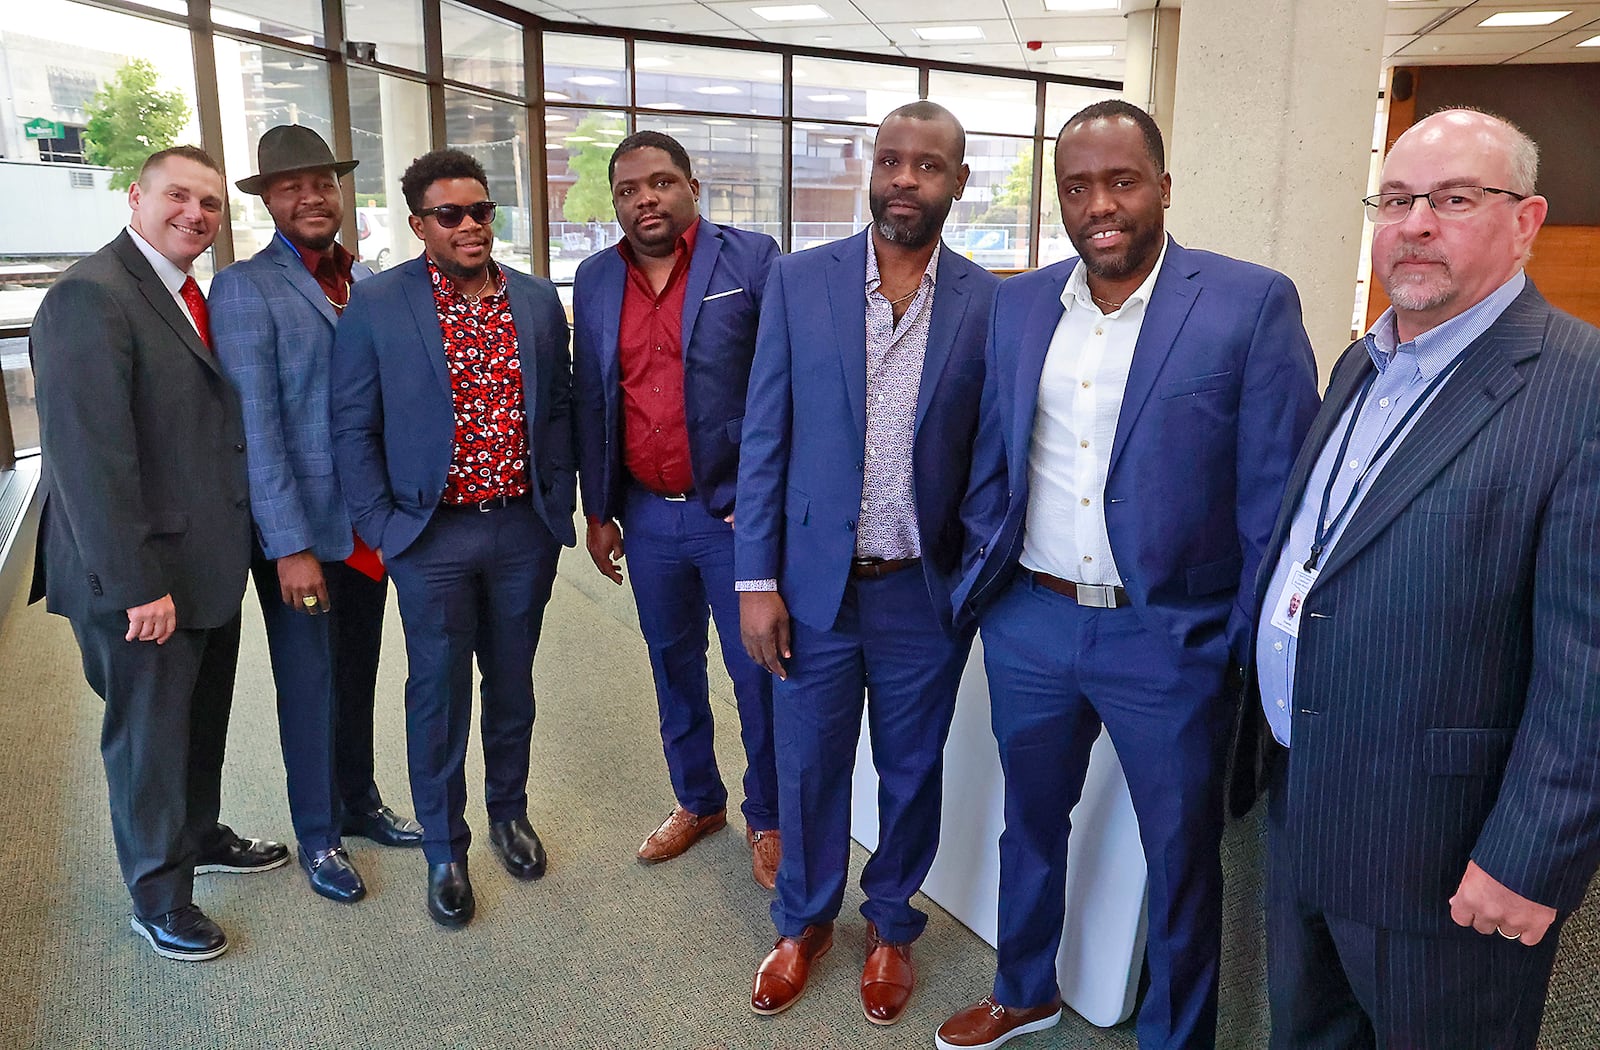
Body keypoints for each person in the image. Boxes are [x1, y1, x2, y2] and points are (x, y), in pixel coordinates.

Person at [938, 100, 1319, 1050]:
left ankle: (1175, 1040)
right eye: (1076, 186)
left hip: (1170, 640)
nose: (1099, 203)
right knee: (1029, 825)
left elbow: (1276, 497)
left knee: (1181, 855)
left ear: (1161, 187)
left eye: (1121, 181)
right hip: (1033, 620)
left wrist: (1231, 642)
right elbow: (994, 455)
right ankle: (1023, 989)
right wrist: (986, 588)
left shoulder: (1247, 301)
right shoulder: (1019, 303)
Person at [1232, 108, 1600, 1049]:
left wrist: (1529, 858)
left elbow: (1588, 666)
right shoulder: (1366, 358)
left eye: (1455, 198)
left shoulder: (1578, 390)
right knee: (1310, 1032)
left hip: (1446, 852)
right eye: (1396, 200)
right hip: (1309, 804)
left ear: (1526, 220)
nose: (1417, 222)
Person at [737, 101, 1000, 1026]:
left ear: (956, 183)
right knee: (808, 763)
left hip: (917, 594)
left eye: (927, 166)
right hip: (810, 589)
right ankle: (803, 921)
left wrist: (968, 580)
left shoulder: (988, 302)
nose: (903, 180)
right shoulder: (799, 282)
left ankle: (891, 922)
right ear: (870, 169)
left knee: (911, 768)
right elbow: (763, 437)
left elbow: (993, 456)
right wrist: (756, 581)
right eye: (890, 161)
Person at [29, 145, 287, 962]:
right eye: (179, 196)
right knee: (147, 740)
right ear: (136, 197)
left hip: (203, 562)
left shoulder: (182, 293)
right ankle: (158, 895)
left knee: (197, 719)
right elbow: (88, 461)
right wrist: (138, 585)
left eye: (210, 204)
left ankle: (200, 833)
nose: (196, 215)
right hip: (140, 578)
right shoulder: (89, 297)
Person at [329, 149, 576, 928]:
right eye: (450, 215)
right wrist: (383, 528)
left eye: (481, 211)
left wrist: (557, 499)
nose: (470, 226)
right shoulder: (377, 304)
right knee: (436, 693)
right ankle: (445, 846)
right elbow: (350, 425)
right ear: (418, 225)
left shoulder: (536, 301)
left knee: (512, 684)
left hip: (521, 530)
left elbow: (562, 409)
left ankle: (509, 814)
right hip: (428, 536)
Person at [210, 125, 423, 906]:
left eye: (322, 183)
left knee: (360, 670)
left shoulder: (363, 279)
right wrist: (288, 546)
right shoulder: (244, 287)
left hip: (368, 528)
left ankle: (360, 802)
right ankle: (318, 832)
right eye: (292, 185)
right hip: (301, 535)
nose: (311, 196)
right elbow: (256, 429)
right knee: (309, 679)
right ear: (268, 199)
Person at [571, 131, 783, 886]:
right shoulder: (595, 278)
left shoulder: (752, 259)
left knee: (756, 669)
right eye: (629, 190)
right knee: (671, 664)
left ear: (692, 185)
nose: (646, 199)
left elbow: (780, 387)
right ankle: (699, 799)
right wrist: (598, 510)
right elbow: (592, 398)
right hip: (646, 515)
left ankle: (771, 815)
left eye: (660, 183)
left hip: (732, 514)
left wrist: (767, 505)